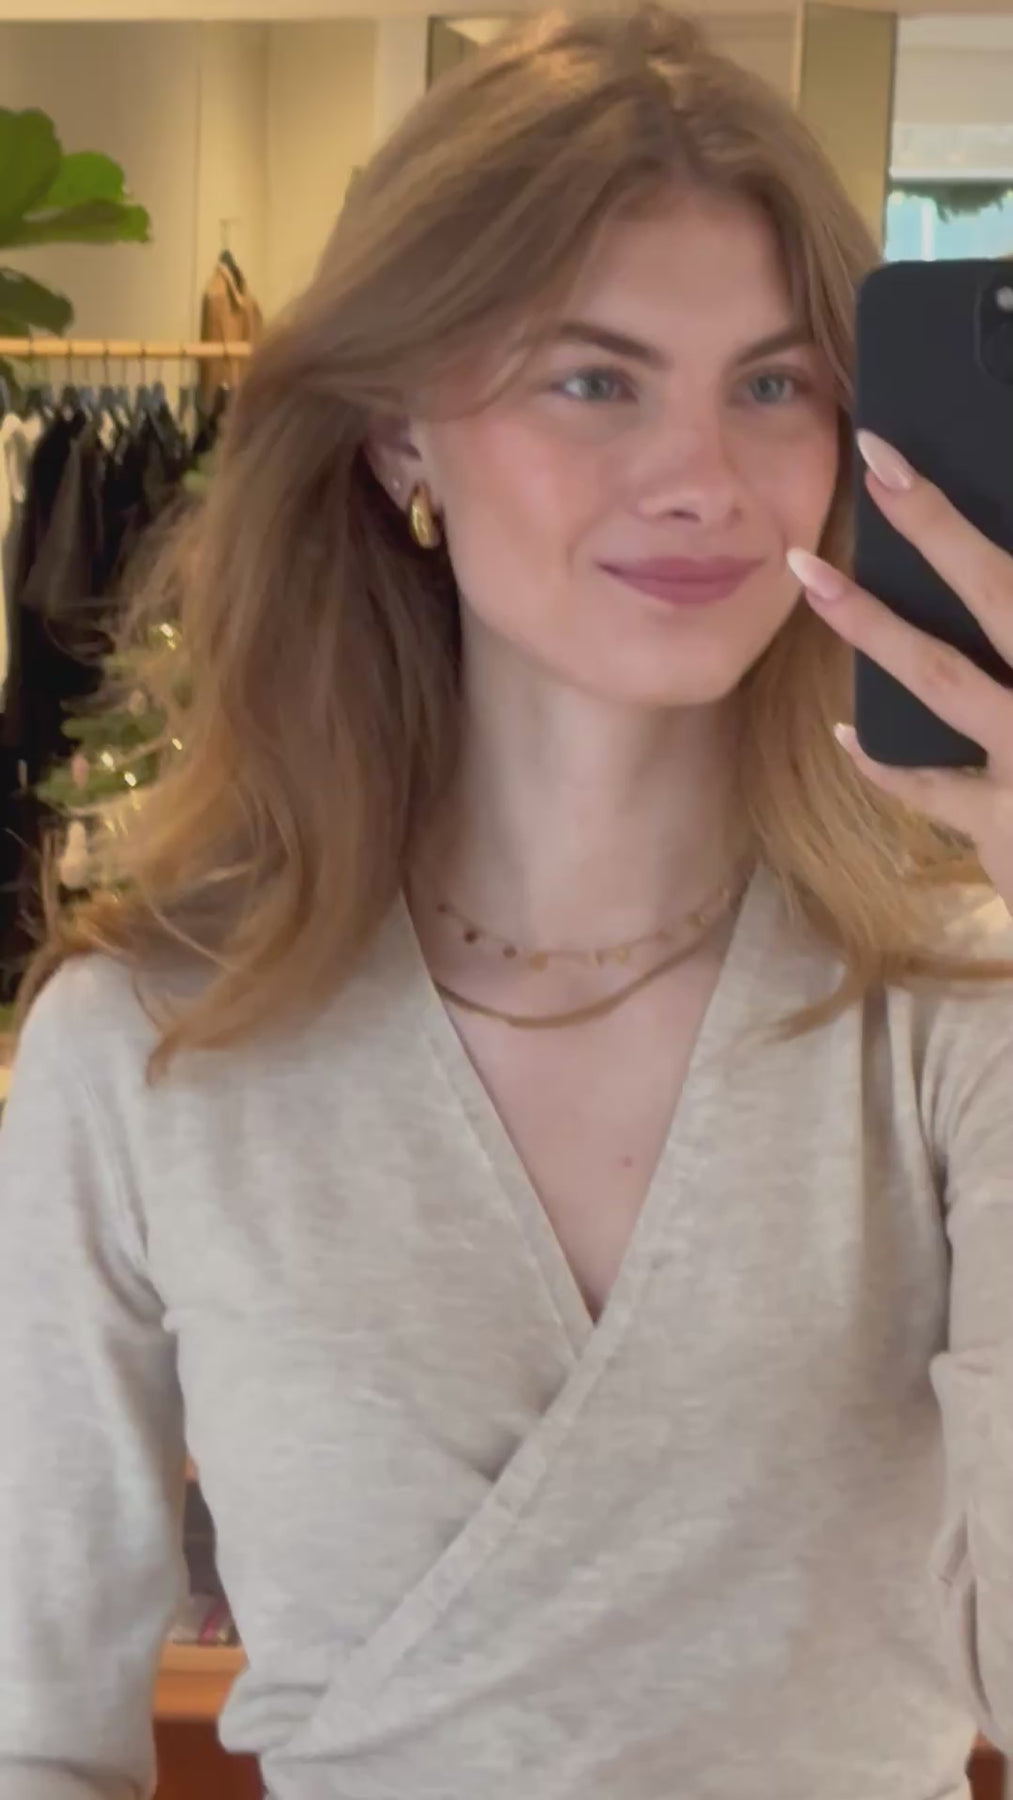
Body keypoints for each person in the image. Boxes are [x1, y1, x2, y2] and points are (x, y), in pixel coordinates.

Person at [1, 9, 1012, 1798]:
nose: (702, 478)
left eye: (772, 385)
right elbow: (30, 1727)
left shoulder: (954, 1014)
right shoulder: (147, 1049)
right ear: (400, 437)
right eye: (593, 379)